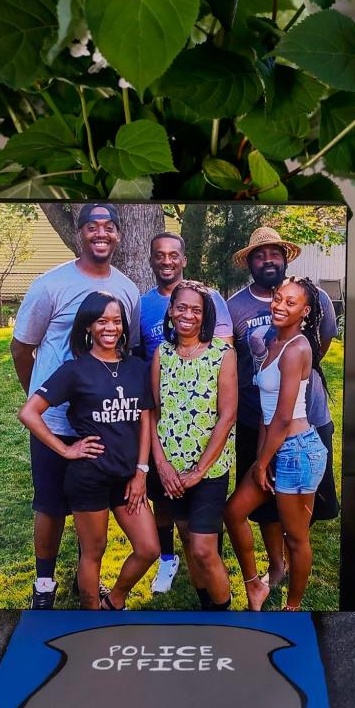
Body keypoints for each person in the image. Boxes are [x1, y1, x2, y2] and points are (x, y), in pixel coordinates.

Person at [10, 203, 140, 609]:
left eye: (109, 227)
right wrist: (38, 396)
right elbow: (21, 347)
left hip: (99, 422)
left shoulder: (128, 289)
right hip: (54, 419)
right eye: (92, 227)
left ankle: (89, 578)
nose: (101, 234)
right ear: (80, 233)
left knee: (91, 504)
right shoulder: (50, 285)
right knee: (49, 503)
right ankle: (45, 584)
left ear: (118, 235)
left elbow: (125, 349)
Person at [18, 292, 159, 610]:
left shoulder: (137, 368)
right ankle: (91, 616)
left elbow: (146, 419)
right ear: (88, 327)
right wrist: (65, 450)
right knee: (94, 552)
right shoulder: (74, 370)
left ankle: (115, 600)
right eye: (102, 321)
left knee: (148, 548)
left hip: (127, 478)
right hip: (89, 476)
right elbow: (29, 413)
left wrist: (141, 471)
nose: (110, 327)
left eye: (116, 321)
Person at [226, 227, 339, 592]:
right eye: (259, 255)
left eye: (274, 253)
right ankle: (276, 564)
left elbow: (324, 337)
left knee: (302, 502)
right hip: (255, 418)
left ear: (285, 257)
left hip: (308, 419)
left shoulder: (313, 296)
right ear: (250, 263)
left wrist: (297, 372)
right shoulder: (237, 306)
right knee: (262, 499)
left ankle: (294, 560)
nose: (268, 259)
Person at [139, 232, 233, 594]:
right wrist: (160, 464)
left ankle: (222, 612)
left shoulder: (221, 354)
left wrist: (198, 471)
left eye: (195, 309)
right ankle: (202, 598)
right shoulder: (161, 352)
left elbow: (226, 415)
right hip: (169, 462)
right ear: (170, 312)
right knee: (186, 537)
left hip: (207, 465)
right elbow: (153, 410)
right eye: (180, 308)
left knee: (203, 545)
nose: (187, 315)